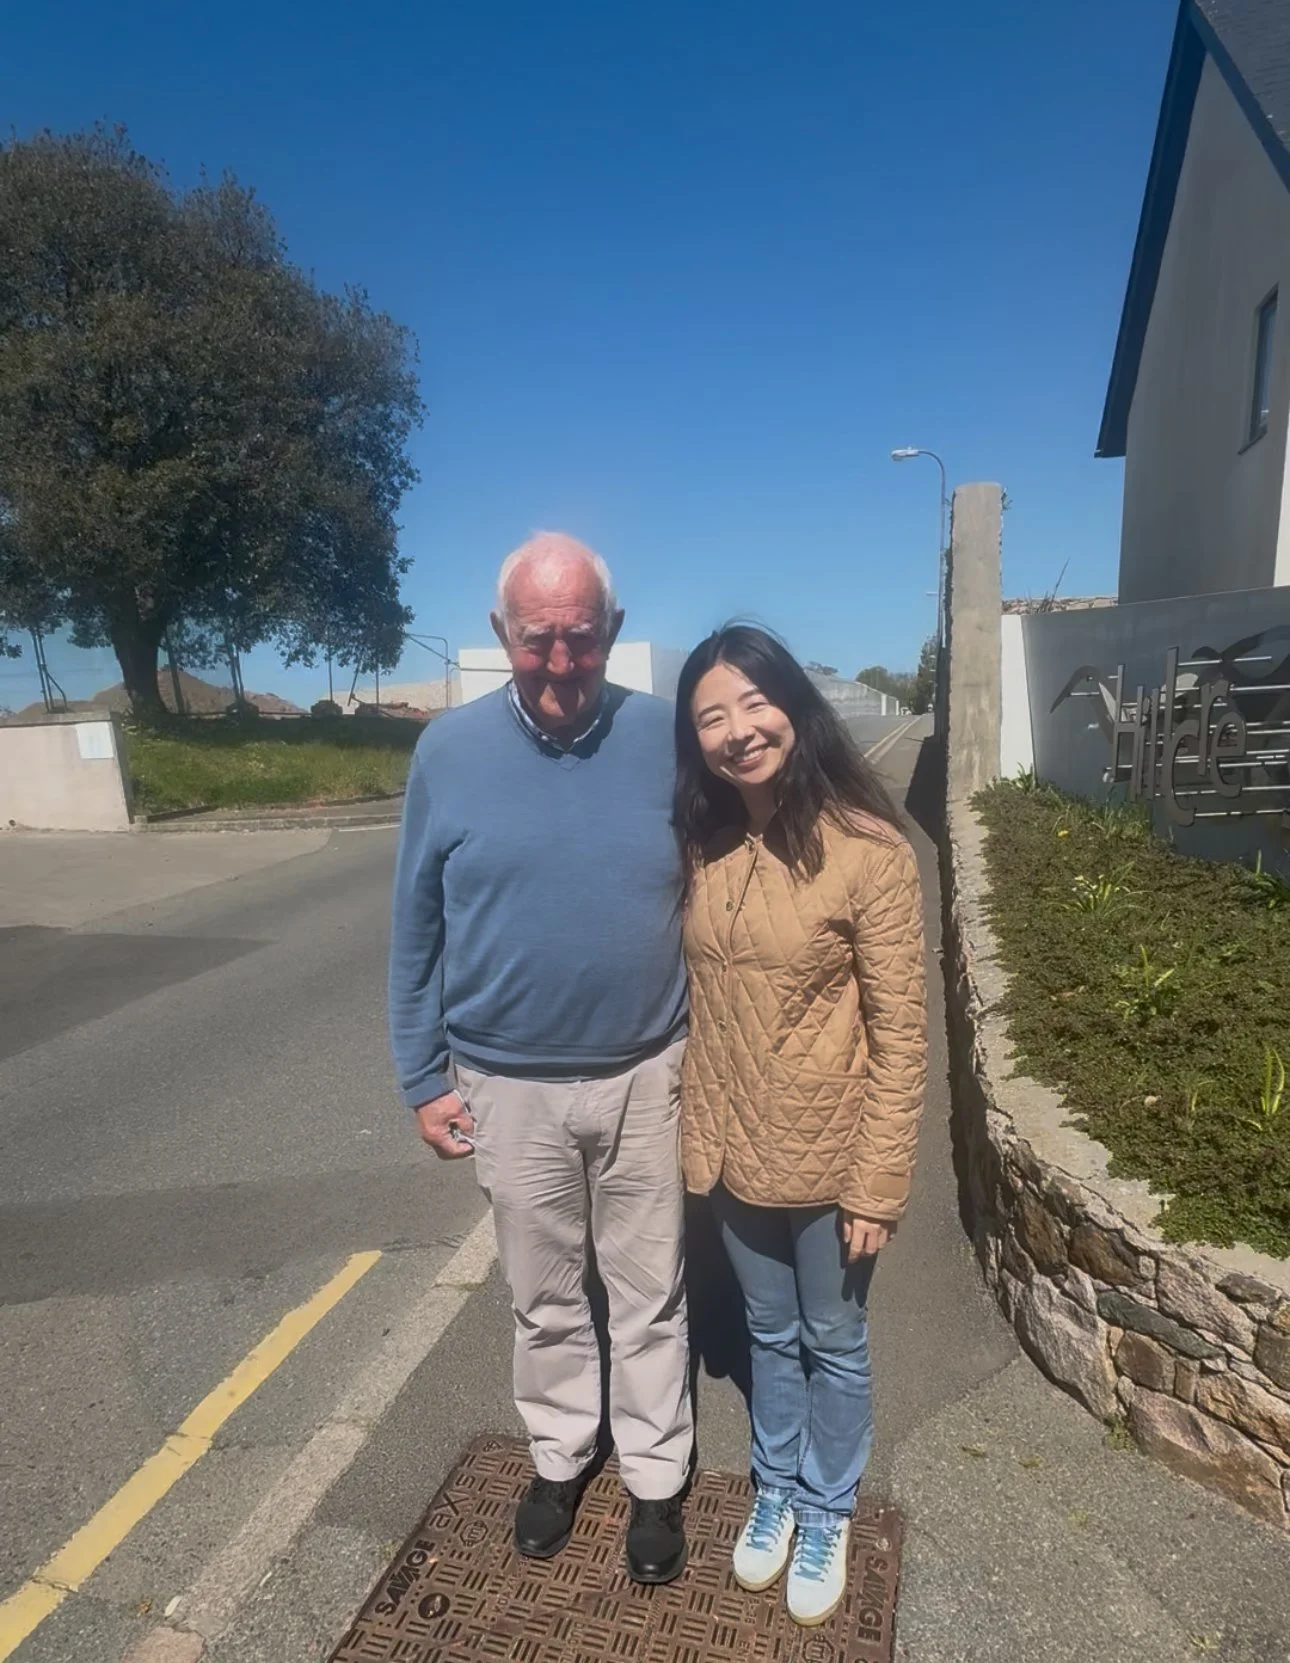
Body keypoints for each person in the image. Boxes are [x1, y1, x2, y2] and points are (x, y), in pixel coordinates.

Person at [388, 533, 692, 1585]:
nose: (560, 663)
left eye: (579, 638)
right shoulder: (447, 751)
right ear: (501, 636)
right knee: (544, 1292)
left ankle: (656, 1477)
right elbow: (415, 925)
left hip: (650, 1069)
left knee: (650, 1290)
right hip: (503, 1084)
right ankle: (563, 1452)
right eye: (537, 640)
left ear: (609, 630)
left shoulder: (668, 735)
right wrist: (421, 1074)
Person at [674, 624, 926, 1628]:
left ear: (795, 705)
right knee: (768, 1334)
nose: (738, 731)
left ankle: (828, 1505)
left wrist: (878, 1184)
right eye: (711, 717)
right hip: (732, 1150)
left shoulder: (870, 852)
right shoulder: (704, 842)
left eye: (753, 703)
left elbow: (902, 1035)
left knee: (834, 1338)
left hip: (830, 1163)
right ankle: (776, 1487)